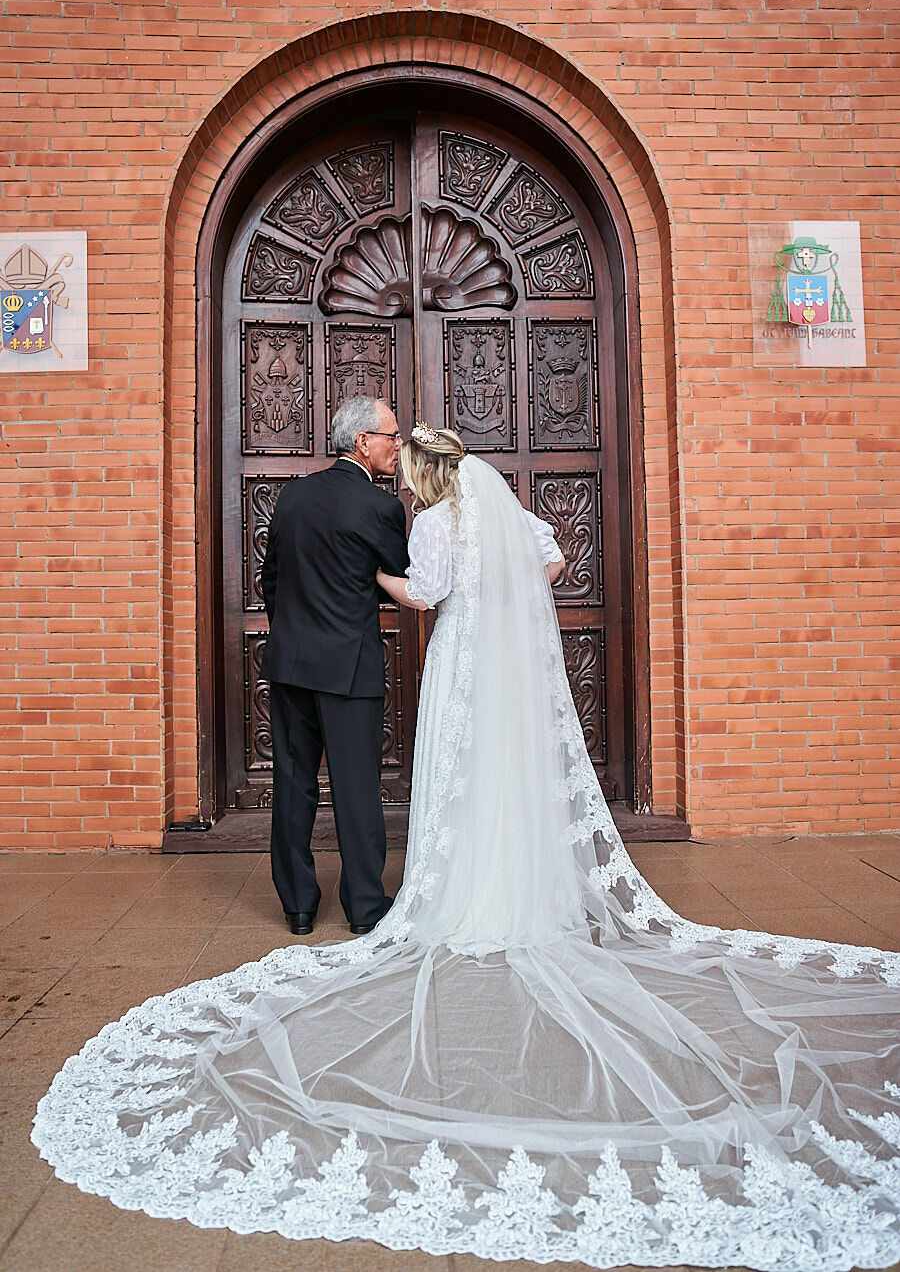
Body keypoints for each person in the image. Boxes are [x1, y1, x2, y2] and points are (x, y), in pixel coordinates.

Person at [33, 426, 900, 1272]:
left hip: (334, 654)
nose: (394, 471)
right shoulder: (495, 511)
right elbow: (546, 565)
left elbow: (401, 591)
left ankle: (303, 904)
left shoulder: (344, 507)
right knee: (483, 774)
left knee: (341, 781)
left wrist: (380, 576)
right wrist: (445, 581)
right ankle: (405, 898)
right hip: (489, 662)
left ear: (415, 467)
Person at [259, 394, 409, 935]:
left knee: (293, 782)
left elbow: (269, 580)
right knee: (356, 787)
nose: (399, 445)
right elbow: (401, 581)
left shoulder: (292, 498)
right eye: (392, 435)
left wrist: (297, 628)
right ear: (363, 441)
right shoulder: (380, 508)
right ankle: (365, 908)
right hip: (349, 668)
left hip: (291, 663)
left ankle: (298, 906)